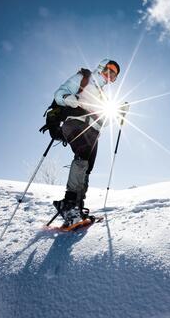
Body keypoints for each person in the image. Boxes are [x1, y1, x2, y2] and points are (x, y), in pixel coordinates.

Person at [50, 59, 121, 226]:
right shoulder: (84, 78)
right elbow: (59, 94)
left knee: (87, 167)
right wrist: (69, 98)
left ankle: (78, 207)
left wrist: (117, 114)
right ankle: (68, 204)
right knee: (82, 157)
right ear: (102, 67)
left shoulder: (103, 95)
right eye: (109, 71)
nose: (110, 76)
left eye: (114, 76)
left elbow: (103, 120)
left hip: (93, 131)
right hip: (75, 122)